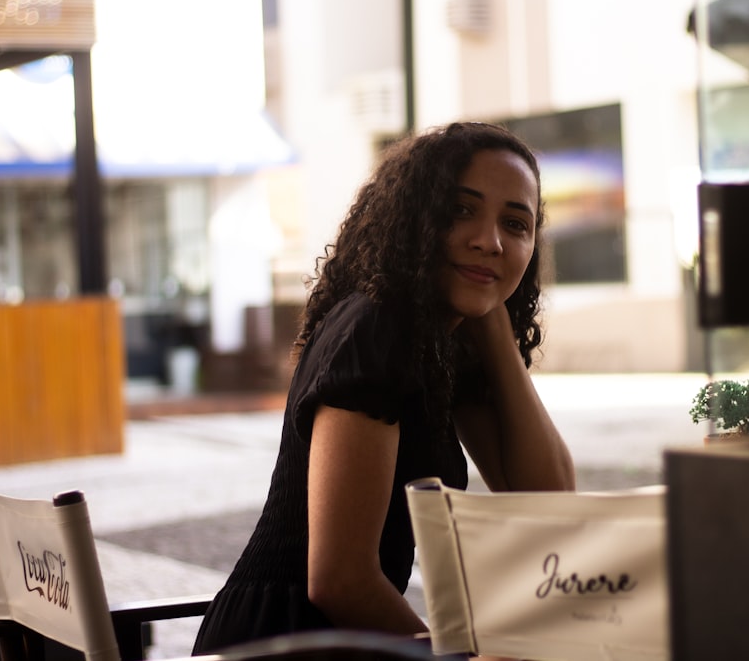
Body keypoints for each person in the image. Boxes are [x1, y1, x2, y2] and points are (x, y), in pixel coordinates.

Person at [191, 121, 575, 655]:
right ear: (416, 216)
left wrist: (493, 322)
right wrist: (458, 656)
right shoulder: (377, 329)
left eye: (515, 224)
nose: (489, 240)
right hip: (286, 642)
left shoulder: (436, 341)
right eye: (461, 210)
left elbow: (549, 502)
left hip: (342, 641)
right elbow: (340, 581)